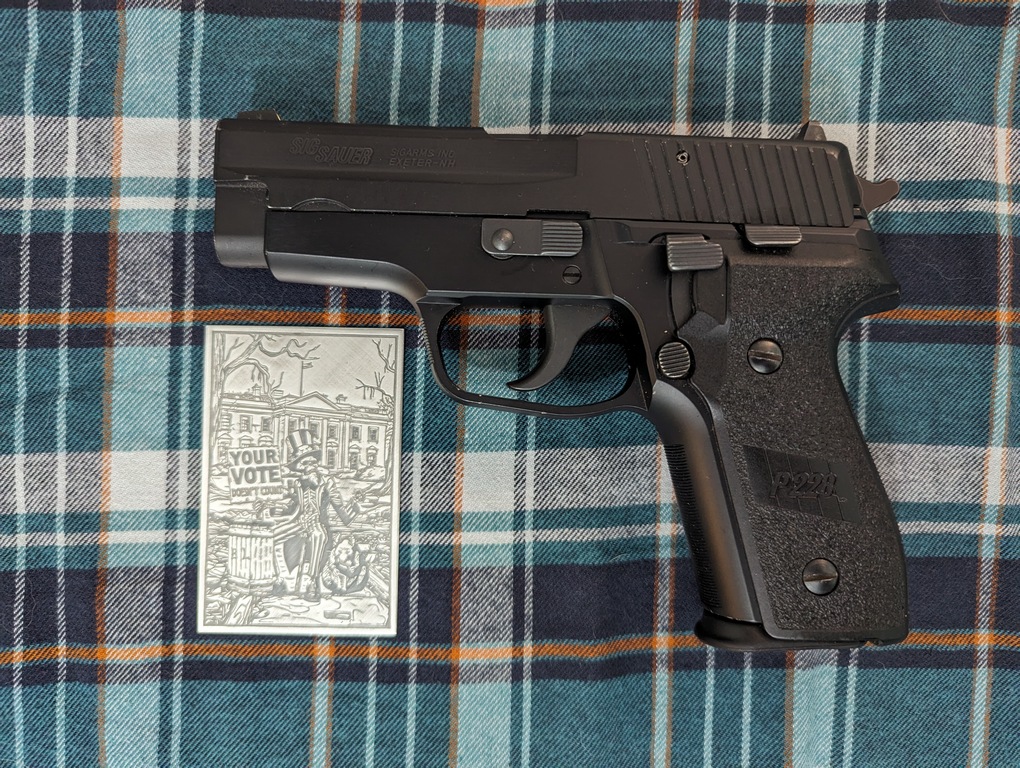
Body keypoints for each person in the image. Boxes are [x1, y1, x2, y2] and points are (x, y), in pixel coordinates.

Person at [270, 429, 359, 602]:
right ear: (300, 466)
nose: (310, 466)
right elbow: (292, 507)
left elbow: (341, 510)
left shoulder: (327, 483)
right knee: (272, 537)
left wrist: (354, 507)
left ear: (316, 463)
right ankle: (279, 580)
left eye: (312, 462)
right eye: (305, 463)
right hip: (298, 522)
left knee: (319, 536)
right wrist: (274, 508)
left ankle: (311, 581)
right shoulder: (297, 484)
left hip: (317, 523)